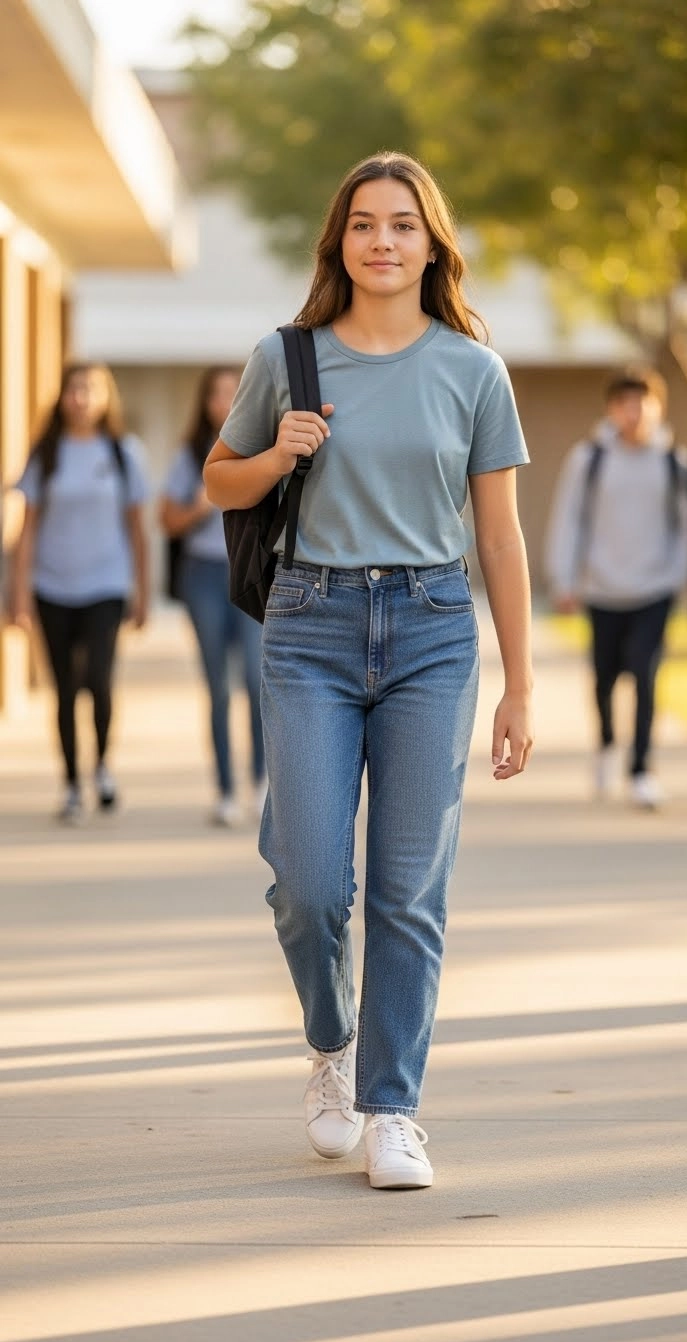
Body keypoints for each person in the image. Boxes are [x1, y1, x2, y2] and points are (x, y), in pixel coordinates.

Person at [203, 151, 533, 1190]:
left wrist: (522, 684)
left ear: (432, 243)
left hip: (434, 627)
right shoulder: (286, 356)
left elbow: (503, 537)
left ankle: (394, 1108)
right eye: (363, 224)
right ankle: (330, 1043)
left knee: (407, 887)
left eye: (402, 224)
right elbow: (220, 481)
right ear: (338, 241)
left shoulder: (474, 369)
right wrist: (278, 453)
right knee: (307, 879)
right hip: (311, 621)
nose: (382, 241)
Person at [545, 367, 687, 809]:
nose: (635, 412)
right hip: (602, 588)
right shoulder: (589, 459)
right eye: (626, 403)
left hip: (654, 588)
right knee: (604, 677)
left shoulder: (674, 463)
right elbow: (569, 519)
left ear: (658, 408)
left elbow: (685, 528)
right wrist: (563, 579)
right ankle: (607, 746)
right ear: (612, 409)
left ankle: (642, 769)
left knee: (645, 676)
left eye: (644, 402)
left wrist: (678, 580)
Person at [12, 362, 149, 823]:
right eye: (73, 389)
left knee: (100, 678)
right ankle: (71, 782)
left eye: (89, 389)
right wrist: (17, 593)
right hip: (51, 585)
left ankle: (103, 767)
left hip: (106, 584)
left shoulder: (123, 452)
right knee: (65, 688)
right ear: (61, 396)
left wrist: (143, 590)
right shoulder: (45, 453)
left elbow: (137, 530)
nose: (80, 398)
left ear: (105, 396)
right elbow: (26, 529)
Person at [159, 367, 267, 827]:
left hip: (251, 574)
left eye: (232, 392)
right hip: (203, 576)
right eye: (217, 394)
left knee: (260, 685)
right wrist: (205, 501)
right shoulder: (189, 454)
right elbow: (168, 521)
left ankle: (262, 784)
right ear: (205, 402)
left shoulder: (264, 445)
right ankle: (225, 790)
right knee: (218, 689)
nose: (224, 401)